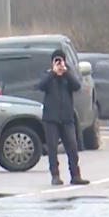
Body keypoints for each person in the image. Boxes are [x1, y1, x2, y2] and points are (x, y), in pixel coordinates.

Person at [37, 49, 90, 186]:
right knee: (52, 148)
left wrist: (65, 72)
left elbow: (77, 86)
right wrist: (53, 73)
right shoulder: (47, 75)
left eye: (61, 60)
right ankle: (55, 175)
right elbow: (41, 86)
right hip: (51, 118)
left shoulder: (68, 77)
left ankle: (76, 175)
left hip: (67, 118)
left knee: (72, 147)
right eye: (57, 60)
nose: (59, 63)